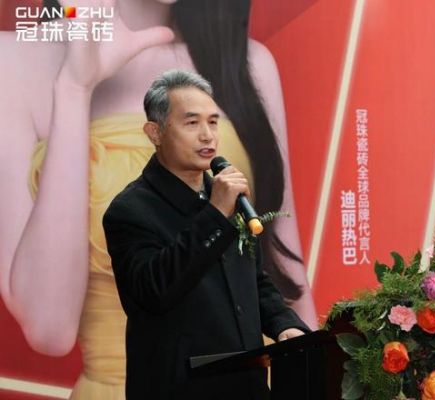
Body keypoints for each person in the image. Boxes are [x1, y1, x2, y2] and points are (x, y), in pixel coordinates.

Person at [0, 0, 316, 398]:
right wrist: (75, 87)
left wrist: (309, 363)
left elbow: (285, 281)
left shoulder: (248, 62)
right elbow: (50, 329)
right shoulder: (13, 60)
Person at [103, 69, 308, 399]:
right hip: (178, 391)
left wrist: (285, 324)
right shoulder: (130, 210)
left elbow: (254, 281)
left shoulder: (229, 199)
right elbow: (155, 291)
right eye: (192, 123)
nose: (208, 136)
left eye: (213, 122)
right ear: (155, 132)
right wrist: (214, 214)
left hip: (247, 387)